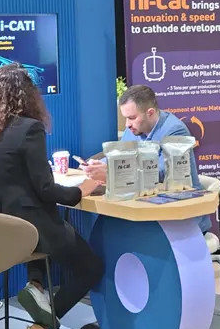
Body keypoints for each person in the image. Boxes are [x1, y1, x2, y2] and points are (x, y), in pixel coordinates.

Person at [0, 63, 104, 329]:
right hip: (28, 232)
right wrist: (80, 191)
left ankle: (36, 285)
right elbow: (45, 189)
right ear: (28, 94)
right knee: (92, 267)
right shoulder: (30, 129)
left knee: (41, 234)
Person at [83, 85, 212, 233]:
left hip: (182, 218)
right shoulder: (133, 130)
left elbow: (161, 173)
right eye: (125, 118)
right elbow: (122, 156)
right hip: (148, 209)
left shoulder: (175, 130)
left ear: (150, 113)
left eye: (132, 118)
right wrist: (98, 165)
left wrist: (113, 171)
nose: (127, 125)